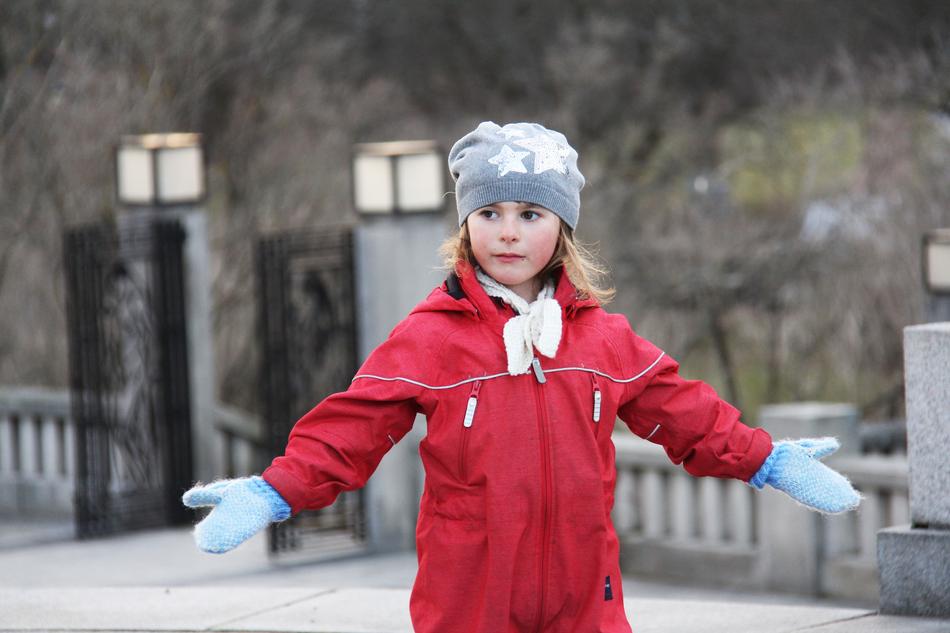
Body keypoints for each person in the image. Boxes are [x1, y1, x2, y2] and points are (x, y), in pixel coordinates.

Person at [182, 121, 861, 633]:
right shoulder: (431, 338)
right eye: (490, 214)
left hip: (583, 593)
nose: (508, 232)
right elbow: (350, 428)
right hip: (471, 593)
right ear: (466, 224)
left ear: (561, 229)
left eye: (529, 214)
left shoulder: (600, 338)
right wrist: (273, 490)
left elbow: (687, 413)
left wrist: (766, 458)